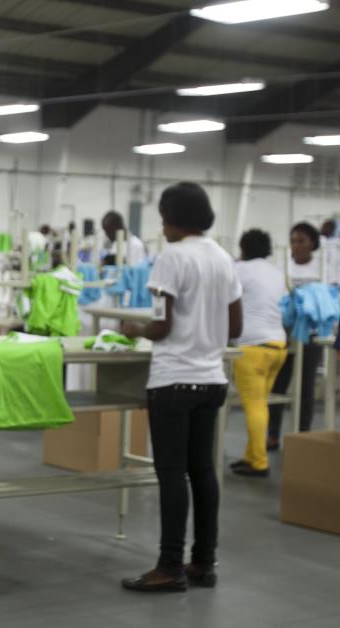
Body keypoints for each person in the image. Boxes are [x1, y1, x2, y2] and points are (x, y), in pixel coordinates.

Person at [121, 182, 242, 592]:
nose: (162, 225)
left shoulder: (172, 257)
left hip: (174, 380)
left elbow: (162, 325)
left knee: (171, 475)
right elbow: (236, 327)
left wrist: (131, 328)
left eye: (163, 216)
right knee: (203, 472)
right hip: (211, 379)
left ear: (173, 218)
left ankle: (169, 566)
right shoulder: (224, 258)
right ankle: (203, 563)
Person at [229, 230, 288, 477]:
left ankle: (260, 463)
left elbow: (225, 301)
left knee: (254, 406)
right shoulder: (277, 272)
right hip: (278, 347)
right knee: (260, 405)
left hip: (252, 348)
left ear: (243, 248)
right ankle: (251, 456)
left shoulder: (241, 270)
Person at [267, 222, 324, 450]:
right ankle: (272, 435)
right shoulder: (282, 267)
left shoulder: (321, 269)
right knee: (278, 384)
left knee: (306, 385)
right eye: (293, 241)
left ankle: (303, 434)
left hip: (311, 334)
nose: (296, 246)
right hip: (285, 333)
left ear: (312, 243)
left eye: (301, 241)